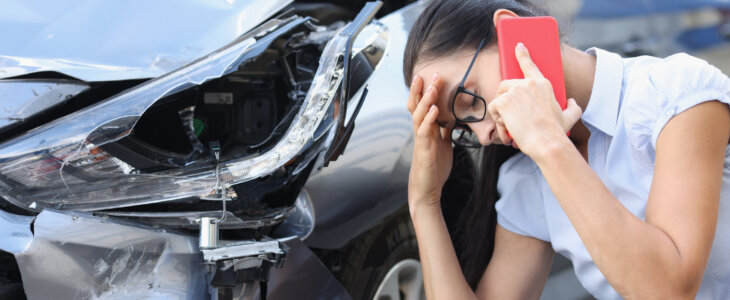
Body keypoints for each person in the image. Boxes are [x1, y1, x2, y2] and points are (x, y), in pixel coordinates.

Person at [403, 0, 730, 299]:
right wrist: (425, 204)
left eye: (469, 100)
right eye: (462, 129)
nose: (485, 135)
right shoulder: (527, 179)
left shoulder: (675, 94)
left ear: (511, 33)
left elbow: (668, 290)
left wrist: (549, 143)